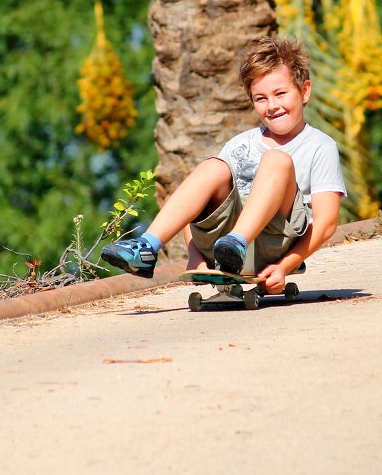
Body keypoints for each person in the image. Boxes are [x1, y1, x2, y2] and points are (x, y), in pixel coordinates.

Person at [100, 35, 346, 295]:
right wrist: (195, 255)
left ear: (304, 91)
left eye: (280, 94)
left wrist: (286, 266)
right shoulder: (240, 144)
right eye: (260, 98)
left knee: (276, 160)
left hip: (274, 245)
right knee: (212, 167)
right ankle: (147, 247)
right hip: (221, 247)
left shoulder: (320, 146)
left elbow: (326, 222)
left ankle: (237, 243)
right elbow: (195, 201)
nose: (272, 105)